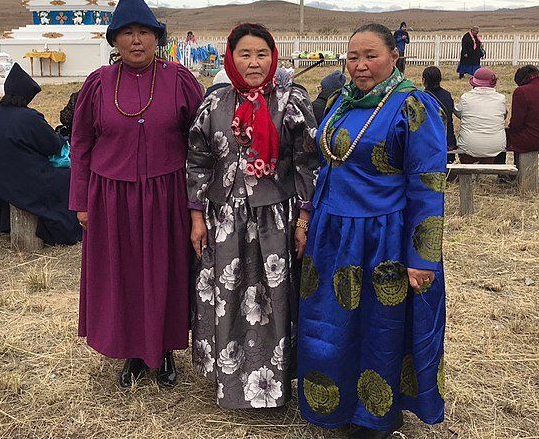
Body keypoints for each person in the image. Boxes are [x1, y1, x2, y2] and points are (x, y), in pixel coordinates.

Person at [297, 23, 446, 438]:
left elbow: (427, 184)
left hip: (385, 238)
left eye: (371, 56)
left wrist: (423, 257)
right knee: (331, 324)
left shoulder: (413, 106)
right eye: (352, 57)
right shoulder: (342, 102)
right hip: (332, 233)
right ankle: (338, 405)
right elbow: (324, 167)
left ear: (395, 56)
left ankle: (374, 418)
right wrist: (309, 217)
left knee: (379, 327)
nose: (360, 66)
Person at [69, 0, 204, 389]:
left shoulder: (180, 80)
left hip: (167, 196)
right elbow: (81, 144)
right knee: (124, 274)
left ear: (157, 38)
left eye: (144, 32)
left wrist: (199, 201)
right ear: (115, 40)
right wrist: (81, 201)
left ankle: (162, 351)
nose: (136, 40)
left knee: (165, 272)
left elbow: (200, 142)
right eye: (126, 32)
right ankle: (131, 351)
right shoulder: (98, 83)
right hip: (112, 197)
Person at [186, 22, 318, 409]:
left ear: (273, 57)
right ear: (231, 58)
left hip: (275, 218)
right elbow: (197, 160)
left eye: (262, 54)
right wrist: (197, 216)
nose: (254, 62)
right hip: (225, 220)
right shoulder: (213, 103)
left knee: (272, 298)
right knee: (228, 296)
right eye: (245, 54)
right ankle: (230, 380)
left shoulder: (291, 102)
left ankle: (274, 383)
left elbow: (309, 162)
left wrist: (304, 217)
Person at [0, 63, 82, 246]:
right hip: (20, 180)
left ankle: (7, 223)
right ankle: (65, 229)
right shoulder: (28, 118)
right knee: (68, 178)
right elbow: (52, 145)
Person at [454, 67, 507, 164]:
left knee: (465, 146)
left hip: (469, 146)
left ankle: (467, 174)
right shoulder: (501, 99)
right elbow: (504, 116)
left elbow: (459, 113)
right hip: (495, 146)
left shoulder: (466, 98)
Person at [422, 66, 456, 163]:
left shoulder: (422, 97)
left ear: (423, 80)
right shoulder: (447, 95)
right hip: (447, 141)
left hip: (429, 142)